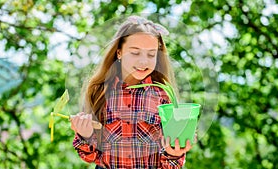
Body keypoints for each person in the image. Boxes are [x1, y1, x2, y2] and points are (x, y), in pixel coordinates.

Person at [70, 15, 193, 169]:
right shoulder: (100, 92)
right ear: (119, 52)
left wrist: (174, 153)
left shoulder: (162, 95)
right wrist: (85, 135)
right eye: (135, 53)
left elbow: (170, 164)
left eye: (151, 54)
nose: (144, 61)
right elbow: (92, 156)